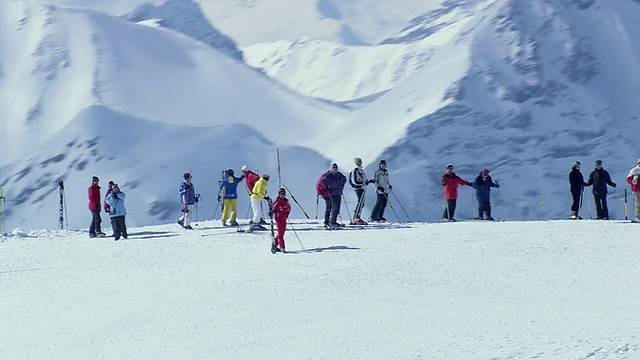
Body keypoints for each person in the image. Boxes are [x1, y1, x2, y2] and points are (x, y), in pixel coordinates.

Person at [321, 163, 347, 229]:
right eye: (334, 168)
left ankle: (333, 221)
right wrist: (327, 188)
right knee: (335, 208)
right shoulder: (329, 175)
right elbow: (323, 181)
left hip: (338, 192)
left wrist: (342, 185)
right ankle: (332, 221)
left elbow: (344, 178)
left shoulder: (339, 175)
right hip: (333, 193)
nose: (335, 169)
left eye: (336, 168)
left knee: (337, 208)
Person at [350, 157, 370, 225]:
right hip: (359, 188)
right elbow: (355, 180)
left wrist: (367, 181)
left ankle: (357, 216)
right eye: (359, 161)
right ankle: (356, 218)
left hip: (362, 187)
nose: (360, 162)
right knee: (360, 202)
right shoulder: (356, 169)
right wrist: (361, 184)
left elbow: (362, 179)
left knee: (361, 203)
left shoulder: (361, 169)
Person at [272, 188, 291, 252]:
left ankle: (274, 244)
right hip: (278, 220)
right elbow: (273, 210)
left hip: (284, 220)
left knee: (281, 233)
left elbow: (289, 209)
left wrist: (286, 215)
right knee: (280, 235)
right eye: (280, 194)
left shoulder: (286, 202)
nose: (282, 195)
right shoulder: (277, 202)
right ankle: (282, 247)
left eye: (283, 194)